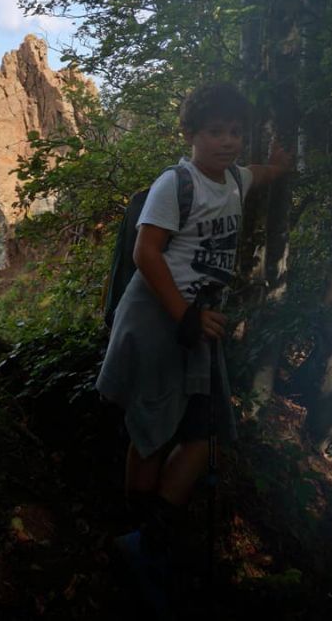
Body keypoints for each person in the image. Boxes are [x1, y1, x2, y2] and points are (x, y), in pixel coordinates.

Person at [96, 83, 291, 579]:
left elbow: (259, 175)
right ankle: (138, 540)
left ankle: (152, 536)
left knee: (202, 433)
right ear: (191, 134)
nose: (227, 142)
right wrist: (184, 316)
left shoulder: (233, 179)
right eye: (215, 132)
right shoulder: (175, 184)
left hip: (195, 320)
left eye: (235, 133)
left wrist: (280, 165)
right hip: (161, 318)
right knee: (150, 432)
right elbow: (145, 253)